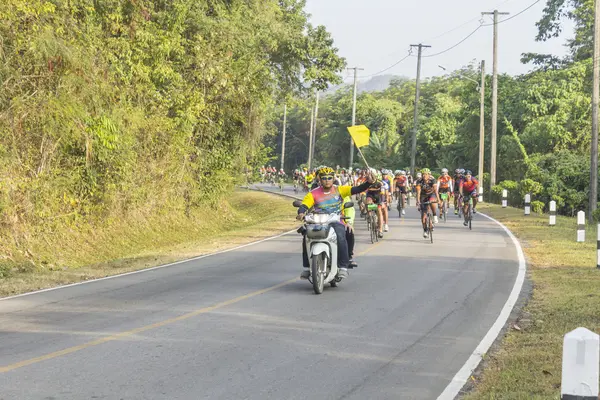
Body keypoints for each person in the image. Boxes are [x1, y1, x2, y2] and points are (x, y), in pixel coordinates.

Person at [297, 166, 374, 280]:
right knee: (306, 236)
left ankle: (343, 266)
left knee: (341, 236)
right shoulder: (313, 193)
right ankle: (307, 268)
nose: (327, 180)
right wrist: (301, 213)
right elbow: (304, 205)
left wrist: (368, 183)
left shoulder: (340, 189)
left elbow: (357, 189)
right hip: (317, 221)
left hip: (335, 221)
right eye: (324, 178)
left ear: (333, 179)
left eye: (329, 178)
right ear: (320, 179)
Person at [415, 168, 440, 238]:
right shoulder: (419, 181)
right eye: (423, 174)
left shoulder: (432, 180)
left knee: (432, 202)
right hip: (423, 196)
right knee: (423, 216)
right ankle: (425, 230)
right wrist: (418, 201)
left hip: (431, 194)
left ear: (429, 175)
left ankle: (434, 215)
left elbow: (435, 191)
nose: (424, 176)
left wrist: (438, 199)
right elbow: (418, 193)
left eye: (426, 174)